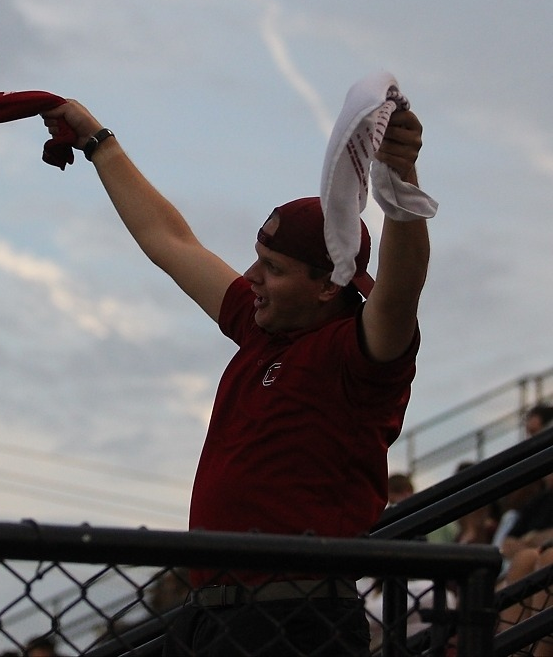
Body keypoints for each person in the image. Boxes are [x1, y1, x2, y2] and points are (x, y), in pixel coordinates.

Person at [41, 98, 430, 656]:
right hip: (209, 617)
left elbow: (401, 288)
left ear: (328, 286)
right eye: (257, 258)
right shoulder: (260, 328)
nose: (251, 277)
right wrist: (100, 142)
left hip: (294, 624)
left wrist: (400, 180)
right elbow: (170, 242)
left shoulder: (356, 354)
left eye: (272, 267)